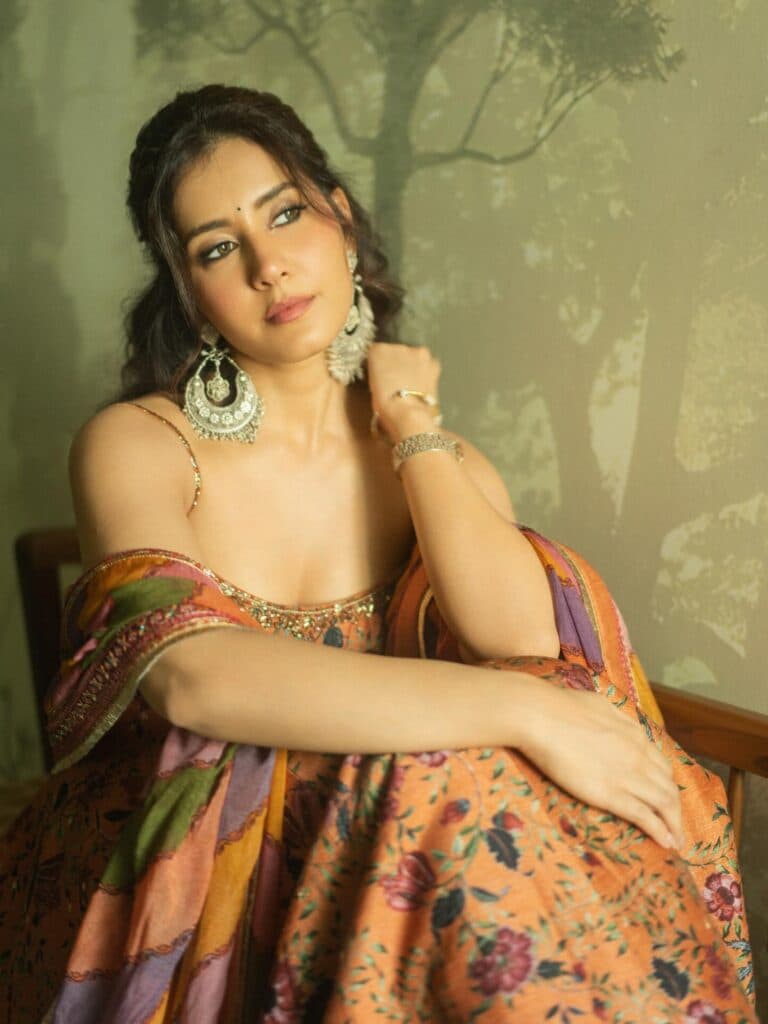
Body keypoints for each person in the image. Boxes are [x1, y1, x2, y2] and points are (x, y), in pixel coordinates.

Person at [0, 85, 756, 1023]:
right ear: (189, 292)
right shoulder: (139, 443)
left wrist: (411, 426)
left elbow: (523, 640)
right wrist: (524, 713)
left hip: (414, 832)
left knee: (465, 780)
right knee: (456, 775)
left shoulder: (431, 456)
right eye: (218, 248)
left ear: (341, 220)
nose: (270, 265)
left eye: (285, 213)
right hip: (195, 850)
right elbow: (193, 682)